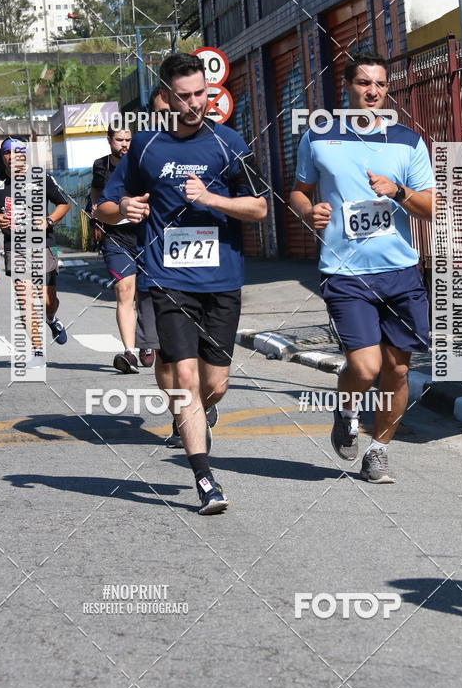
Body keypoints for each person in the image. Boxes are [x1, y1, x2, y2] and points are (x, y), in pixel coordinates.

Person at [98, 53, 268, 514]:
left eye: (201, 94)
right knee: (185, 378)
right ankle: (204, 477)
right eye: (185, 96)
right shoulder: (146, 147)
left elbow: (259, 209)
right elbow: (105, 207)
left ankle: (203, 412)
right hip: (168, 279)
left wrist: (211, 198)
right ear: (167, 97)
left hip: (222, 280)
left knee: (214, 384)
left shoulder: (229, 143)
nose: (195, 104)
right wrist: (125, 209)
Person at [290, 53, 434, 484]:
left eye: (381, 85)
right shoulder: (318, 136)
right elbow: (297, 192)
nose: (373, 92)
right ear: (347, 87)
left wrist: (399, 190)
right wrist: (306, 211)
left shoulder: (408, 141)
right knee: (366, 367)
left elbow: (431, 208)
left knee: (399, 369)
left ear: (387, 90)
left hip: (401, 271)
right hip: (345, 271)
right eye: (364, 83)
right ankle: (347, 408)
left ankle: (379, 450)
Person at [0, 137, 71, 348]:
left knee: (48, 302)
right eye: (7, 152)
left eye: (17, 152)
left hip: (43, 244)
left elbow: (64, 204)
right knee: (25, 301)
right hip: (15, 246)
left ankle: (51, 319)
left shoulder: (41, 177)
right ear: (2, 156)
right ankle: (37, 350)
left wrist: (49, 220)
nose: (12, 157)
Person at [90, 125, 156, 373]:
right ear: (109, 140)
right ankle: (129, 352)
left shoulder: (143, 164)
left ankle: (147, 343)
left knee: (147, 291)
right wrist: (97, 214)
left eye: (128, 139)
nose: (124, 144)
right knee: (124, 289)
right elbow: (97, 190)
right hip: (116, 236)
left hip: (145, 235)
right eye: (119, 139)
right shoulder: (101, 166)